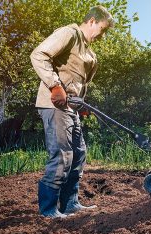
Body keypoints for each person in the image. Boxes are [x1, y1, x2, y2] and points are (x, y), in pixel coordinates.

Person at [30, 5, 114, 218]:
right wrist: (54, 85)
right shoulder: (70, 34)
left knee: (78, 154)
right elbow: (38, 54)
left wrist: (80, 105)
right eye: (102, 29)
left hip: (71, 109)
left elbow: (77, 82)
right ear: (92, 21)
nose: (102, 35)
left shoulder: (88, 51)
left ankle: (70, 203)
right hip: (54, 105)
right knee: (62, 155)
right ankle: (48, 209)